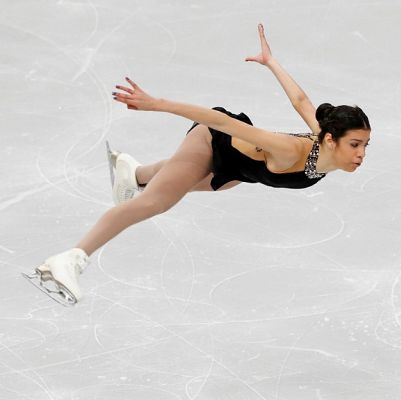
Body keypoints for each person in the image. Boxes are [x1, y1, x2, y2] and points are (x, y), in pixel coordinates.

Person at [25, 24, 371, 305]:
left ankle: (134, 173)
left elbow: (300, 100)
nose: (360, 154)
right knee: (156, 201)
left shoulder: (322, 136)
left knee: (177, 180)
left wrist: (271, 62)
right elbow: (223, 123)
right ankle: (70, 259)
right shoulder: (290, 150)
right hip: (213, 140)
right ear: (331, 140)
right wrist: (158, 104)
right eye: (355, 145)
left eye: (365, 145)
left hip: (239, 171)